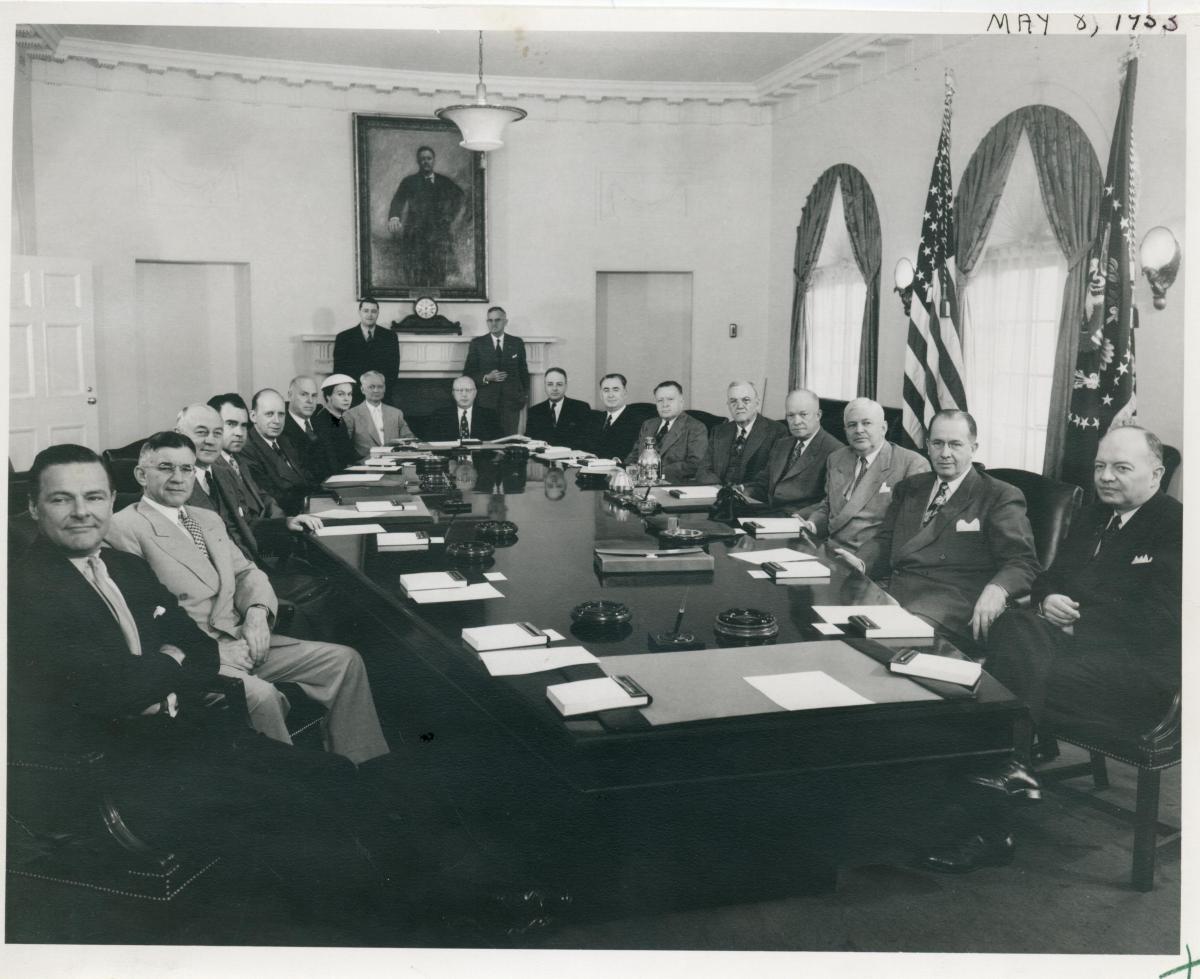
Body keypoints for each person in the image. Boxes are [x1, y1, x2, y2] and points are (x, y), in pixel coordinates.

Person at [8, 444, 386, 919]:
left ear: (110, 500)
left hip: (176, 737)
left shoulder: (124, 567)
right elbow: (107, 691)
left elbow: (201, 649)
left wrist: (164, 665)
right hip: (109, 770)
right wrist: (169, 661)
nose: (83, 512)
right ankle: (342, 924)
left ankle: (364, 916)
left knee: (331, 773)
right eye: (62, 499)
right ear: (32, 507)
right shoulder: (21, 588)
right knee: (294, 805)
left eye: (95, 497)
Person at [106, 431, 390, 764]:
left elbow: (247, 573)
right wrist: (213, 651)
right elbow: (148, 614)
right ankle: (293, 787)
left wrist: (256, 614)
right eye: (166, 468)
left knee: (345, 661)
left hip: (243, 639)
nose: (178, 478)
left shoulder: (206, 519)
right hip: (197, 653)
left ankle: (360, 767)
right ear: (142, 474)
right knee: (262, 695)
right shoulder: (122, 528)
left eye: (186, 468)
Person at [986, 425, 1181, 748]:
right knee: (1013, 625)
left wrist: (1076, 625)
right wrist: (1047, 600)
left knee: (1016, 666)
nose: (1105, 477)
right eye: (1099, 466)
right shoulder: (1092, 517)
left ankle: (1005, 756)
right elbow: (1048, 579)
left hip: (1138, 667)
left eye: (1121, 468)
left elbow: (1163, 618)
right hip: (1077, 653)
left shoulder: (1178, 526)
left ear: (1156, 474)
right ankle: (1013, 758)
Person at [850, 410, 1040, 653]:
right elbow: (886, 539)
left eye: (955, 444)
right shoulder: (910, 487)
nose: (945, 453)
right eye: (937, 443)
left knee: (884, 644)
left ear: (974, 447)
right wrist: (860, 562)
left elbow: (1023, 561)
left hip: (951, 605)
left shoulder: (999, 495)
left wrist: (998, 589)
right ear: (927, 446)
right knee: (837, 629)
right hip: (893, 592)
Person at [205, 393, 323, 565]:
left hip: (268, 538)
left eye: (244, 426)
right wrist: (284, 525)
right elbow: (238, 526)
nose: (239, 433)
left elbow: (263, 497)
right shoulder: (212, 467)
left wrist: (286, 521)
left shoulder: (236, 460)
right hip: (252, 555)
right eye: (230, 424)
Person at [805, 398, 929, 555]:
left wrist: (863, 562)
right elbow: (828, 505)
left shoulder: (911, 464)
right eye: (852, 425)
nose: (859, 430)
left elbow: (906, 531)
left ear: (883, 428)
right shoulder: (836, 458)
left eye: (867, 423)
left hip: (867, 559)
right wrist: (812, 525)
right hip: (829, 550)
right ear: (845, 430)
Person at [742, 388, 842, 513]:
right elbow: (763, 483)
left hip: (799, 522)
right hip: (768, 514)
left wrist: (799, 519)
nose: (796, 421)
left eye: (803, 414)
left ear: (818, 415)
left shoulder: (835, 451)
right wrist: (742, 491)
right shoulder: (781, 444)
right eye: (791, 415)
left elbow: (829, 502)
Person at [386, 144, 466, 286]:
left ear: (433, 160)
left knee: (438, 270)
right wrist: (394, 217)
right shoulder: (409, 182)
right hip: (415, 234)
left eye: (428, 158)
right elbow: (398, 200)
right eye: (422, 159)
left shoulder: (444, 181)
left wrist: (449, 215)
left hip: (438, 234)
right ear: (418, 161)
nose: (426, 161)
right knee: (416, 271)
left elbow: (460, 196)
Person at [240, 388, 313, 514]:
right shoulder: (246, 448)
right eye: (269, 414)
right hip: (287, 516)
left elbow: (306, 476)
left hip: (309, 506)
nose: (277, 421)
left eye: (281, 414)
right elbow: (270, 496)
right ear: (253, 416)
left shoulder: (285, 441)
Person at [624, 380, 710, 483]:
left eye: (670, 399)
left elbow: (695, 464)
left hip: (673, 486)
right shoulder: (648, 424)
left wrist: (656, 472)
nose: (665, 404)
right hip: (641, 484)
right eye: (660, 400)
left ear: (681, 401)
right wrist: (624, 470)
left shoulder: (696, 427)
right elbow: (634, 456)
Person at [705, 381, 786, 489]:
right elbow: (704, 470)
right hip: (717, 495)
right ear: (728, 405)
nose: (739, 406)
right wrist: (719, 490)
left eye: (746, 400)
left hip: (751, 499)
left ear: (757, 403)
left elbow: (772, 476)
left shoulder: (776, 431)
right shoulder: (719, 431)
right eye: (733, 401)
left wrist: (741, 491)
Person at [462, 306, 530, 436]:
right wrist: (487, 377)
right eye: (490, 320)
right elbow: (467, 375)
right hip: (486, 404)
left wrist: (523, 396)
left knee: (510, 441)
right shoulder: (478, 343)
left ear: (505, 322)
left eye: (497, 320)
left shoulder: (516, 343)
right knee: (487, 442)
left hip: (511, 404)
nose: (493, 324)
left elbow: (524, 372)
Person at [332, 298, 401, 407]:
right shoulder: (344, 337)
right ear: (359, 312)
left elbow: (393, 369)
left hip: (381, 396)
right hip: (354, 396)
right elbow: (339, 371)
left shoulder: (390, 337)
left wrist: (379, 391)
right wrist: (356, 391)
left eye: (373, 311)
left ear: (378, 313)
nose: (370, 315)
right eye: (366, 311)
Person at [343, 370, 416, 458]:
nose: (376, 390)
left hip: (394, 464)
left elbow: (409, 439)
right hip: (364, 465)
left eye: (380, 387)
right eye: (371, 387)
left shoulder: (396, 413)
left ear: (384, 388)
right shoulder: (350, 415)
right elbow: (344, 446)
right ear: (362, 389)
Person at [174, 403, 225, 513]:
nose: (211, 441)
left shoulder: (227, 474)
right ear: (179, 435)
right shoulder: (169, 482)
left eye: (217, 433)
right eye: (201, 432)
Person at [524, 367, 592, 448]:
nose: (554, 388)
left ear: (566, 385)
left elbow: (587, 441)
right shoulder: (534, 411)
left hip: (570, 458)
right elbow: (529, 441)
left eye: (559, 384)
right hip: (542, 458)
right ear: (545, 386)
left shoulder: (581, 408)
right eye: (550, 384)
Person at [282, 375, 333, 481]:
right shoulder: (281, 427)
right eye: (304, 394)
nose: (310, 400)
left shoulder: (321, 422)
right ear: (290, 395)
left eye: (314, 395)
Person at [427, 375, 502, 442]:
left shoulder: (489, 415)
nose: (464, 394)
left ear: (475, 393)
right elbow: (432, 444)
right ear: (453, 393)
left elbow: (498, 445)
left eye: (468, 390)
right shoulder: (439, 415)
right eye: (459, 390)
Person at [311, 372, 360, 474]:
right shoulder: (322, 421)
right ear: (328, 396)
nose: (347, 398)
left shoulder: (339, 419)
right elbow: (330, 460)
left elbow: (348, 452)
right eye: (341, 394)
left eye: (349, 394)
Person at [589, 372, 644, 460]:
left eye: (616, 390)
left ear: (625, 393)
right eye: (606, 390)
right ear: (601, 395)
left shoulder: (637, 422)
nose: (610, 395)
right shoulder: (594, 419)